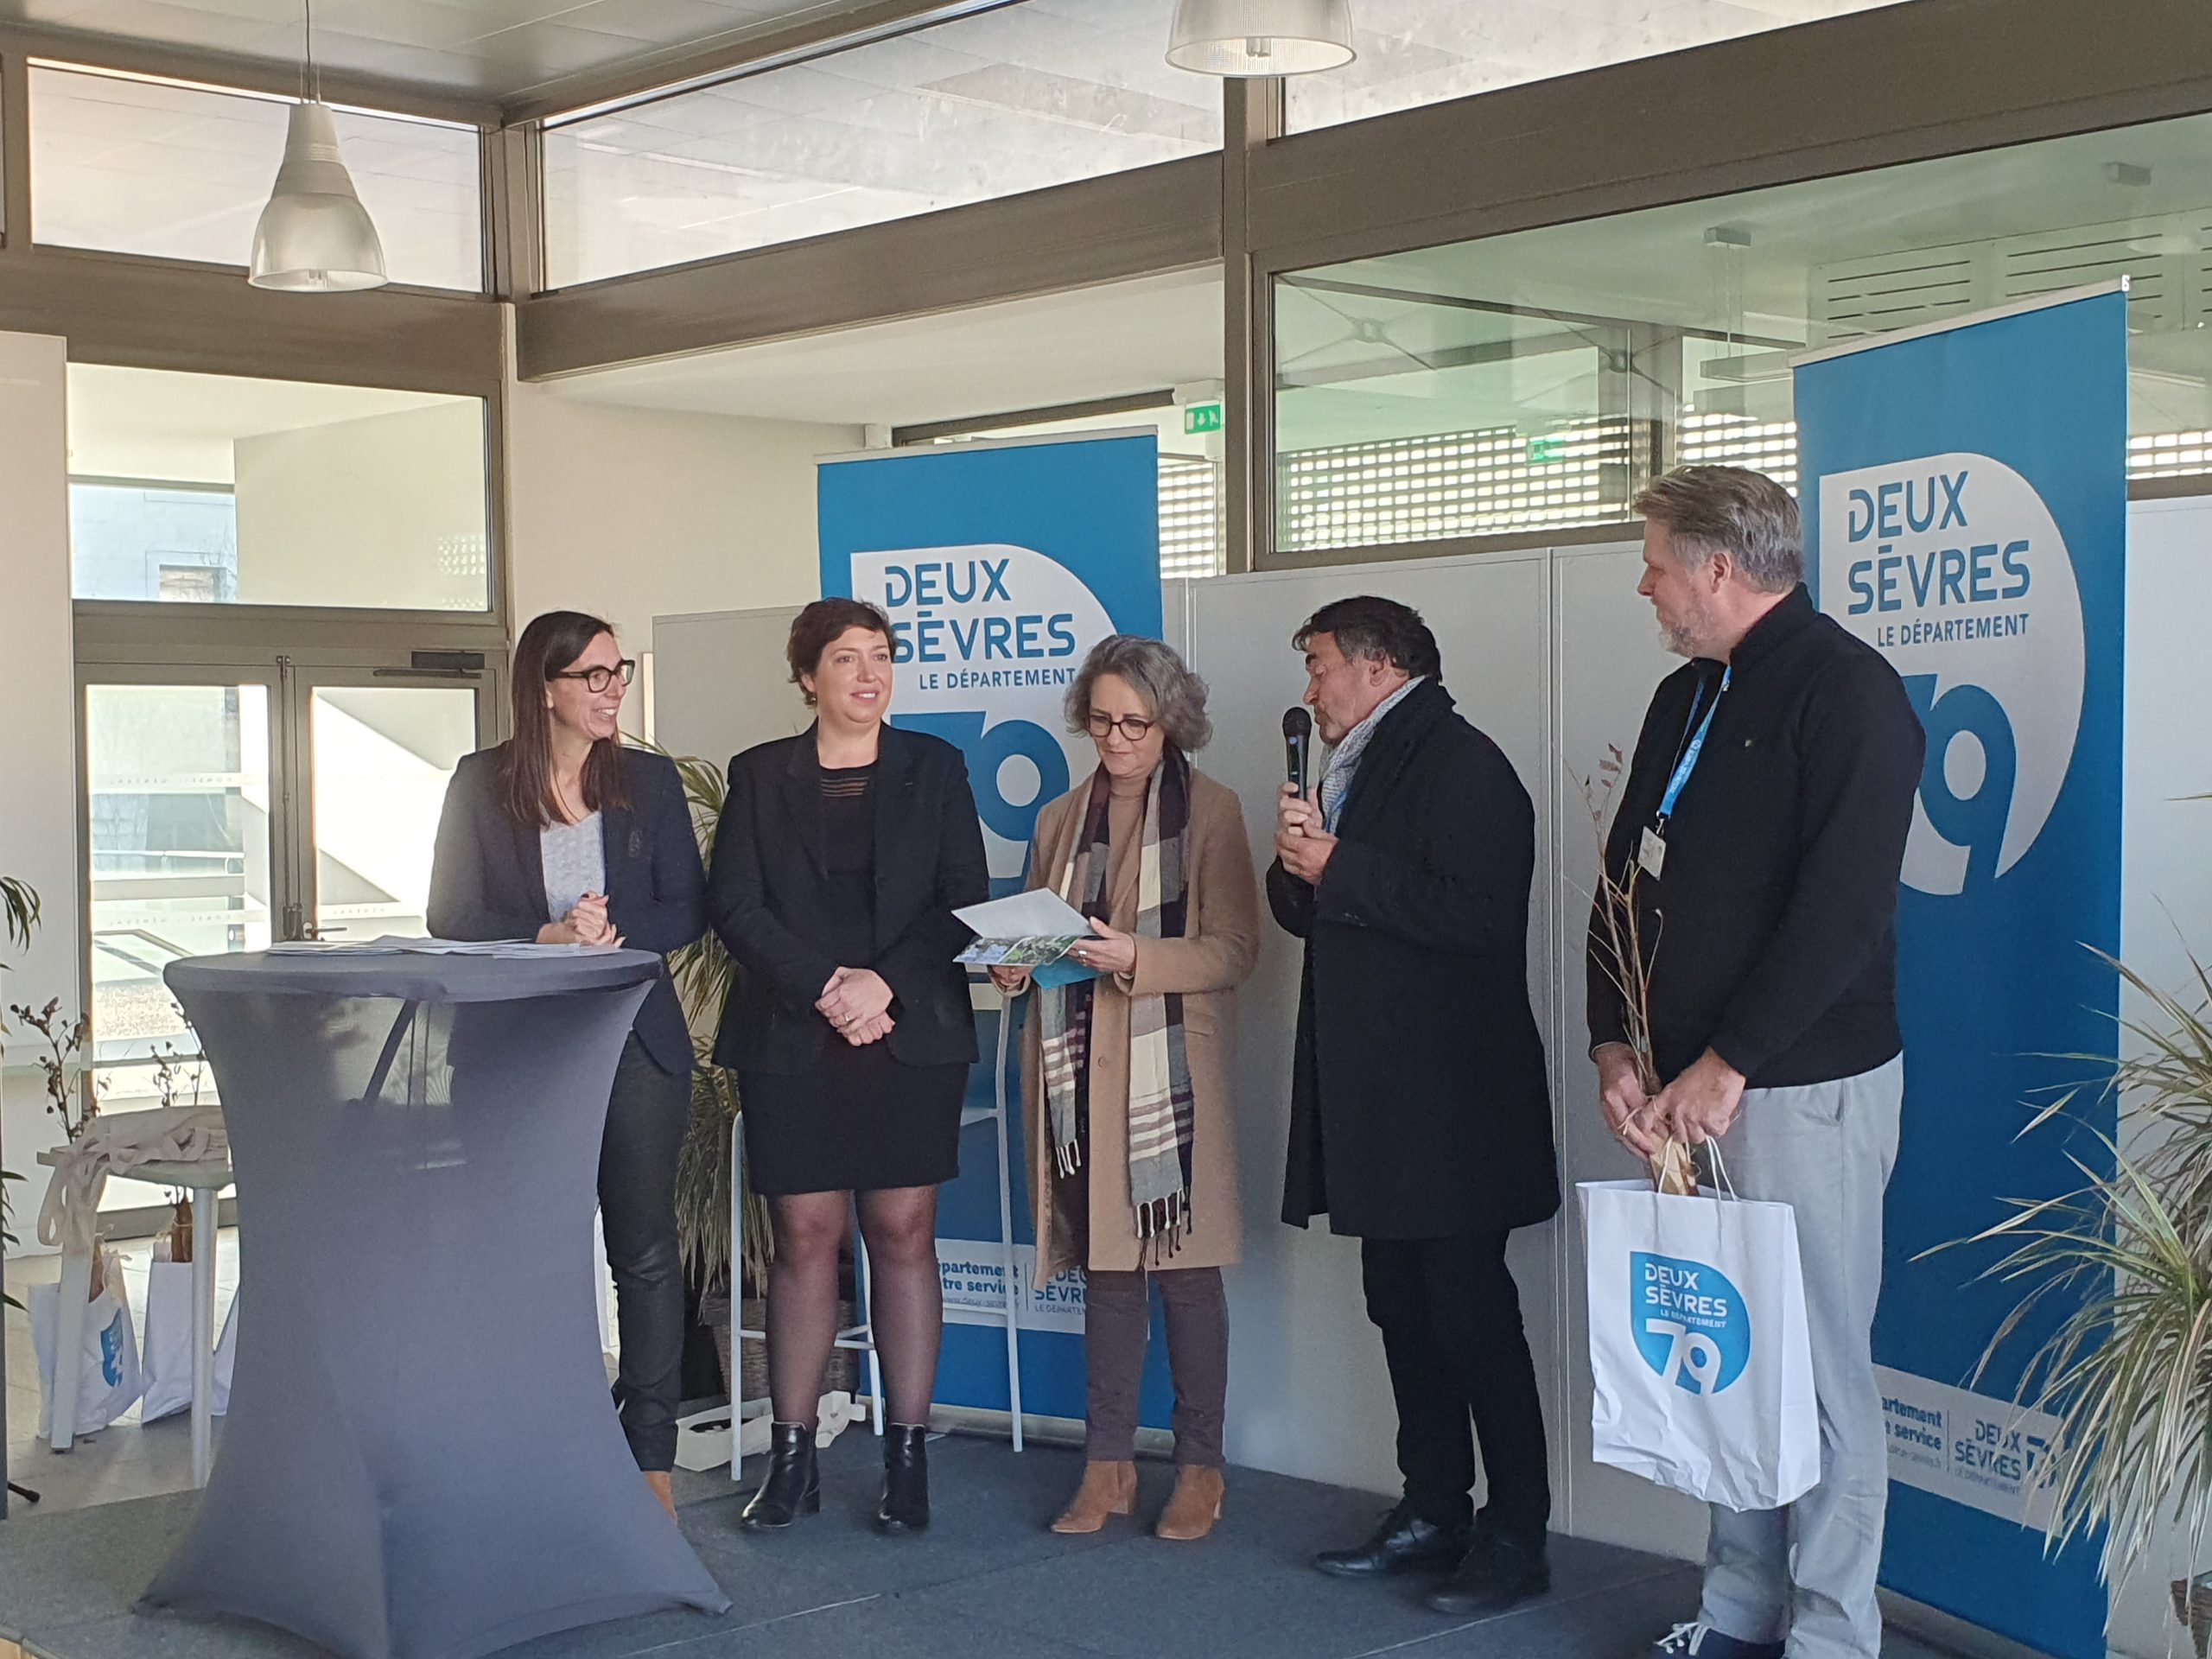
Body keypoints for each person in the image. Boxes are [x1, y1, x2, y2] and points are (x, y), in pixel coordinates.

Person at [1587, 467, 1923, 1659]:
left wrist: (1728, 1063)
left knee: (1822, 1375)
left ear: (1718, 569)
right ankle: (1735, 1614)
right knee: (1728, 1366)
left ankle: (1830, 1637)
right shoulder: (1686, 695)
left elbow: (1842, 915)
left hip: (1795, 1088)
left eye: (1656, 565)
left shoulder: (1850, 694)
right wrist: (1615, 1042)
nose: (1646, 586)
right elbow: (1623, 879)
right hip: (1680, 1093)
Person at [1268, 596, 1559, 1615]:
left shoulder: (1462, 765)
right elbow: (1312, 914)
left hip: (1452, 1105)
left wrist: (1338, 864)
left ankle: (1515, 1535)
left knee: (1470, 1313)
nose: (1311, 690)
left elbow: (1481, 917)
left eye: (1320, 666)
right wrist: (1300, 860)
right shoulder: (1354, 767)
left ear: (1380, 665)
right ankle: (1434, 1505)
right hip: (1380, 1103)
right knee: (1399, 1301)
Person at [708, 597, 988, 1536]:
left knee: (903, 1233)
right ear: (807, 677)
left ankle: (907, 1458)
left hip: (908, 1033)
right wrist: (827, 987)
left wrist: (881, 986)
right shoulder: (760, 774)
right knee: (804, 1239)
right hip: (795, 1034)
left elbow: (963, 899)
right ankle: (793, 1460)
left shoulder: (935, 768)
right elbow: (735, 906)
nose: (869, 674)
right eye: (846, 658)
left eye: (881, 655)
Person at [428, 609, 707, 1522]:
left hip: (634, 1042)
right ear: (544, 688)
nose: (611, 689)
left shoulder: (648, 781)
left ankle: (651, 1458)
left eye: (617, 672)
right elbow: (451, 914)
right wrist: (548, 935)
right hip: (520, 1051)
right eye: (593, 675)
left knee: (644, 1253)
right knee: (527, 1252)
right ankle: (539, 1434)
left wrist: (614, 929)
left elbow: (686, 907)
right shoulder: (482, 782)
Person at [990, 635, 1260, 1542]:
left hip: (1169, 1084)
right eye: (1102, 721)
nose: (1116, 738)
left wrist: (1136, 955)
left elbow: (1235, 951)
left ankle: (1199, 1469)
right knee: (1106, 1277)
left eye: (1135, 723)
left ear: (1170, 722)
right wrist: (1012, 968)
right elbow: (1035, 934)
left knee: (1184, 1276)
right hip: (1077, 1074)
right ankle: (1106, 1468)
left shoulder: (1212, 810)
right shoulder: (1060, 819)